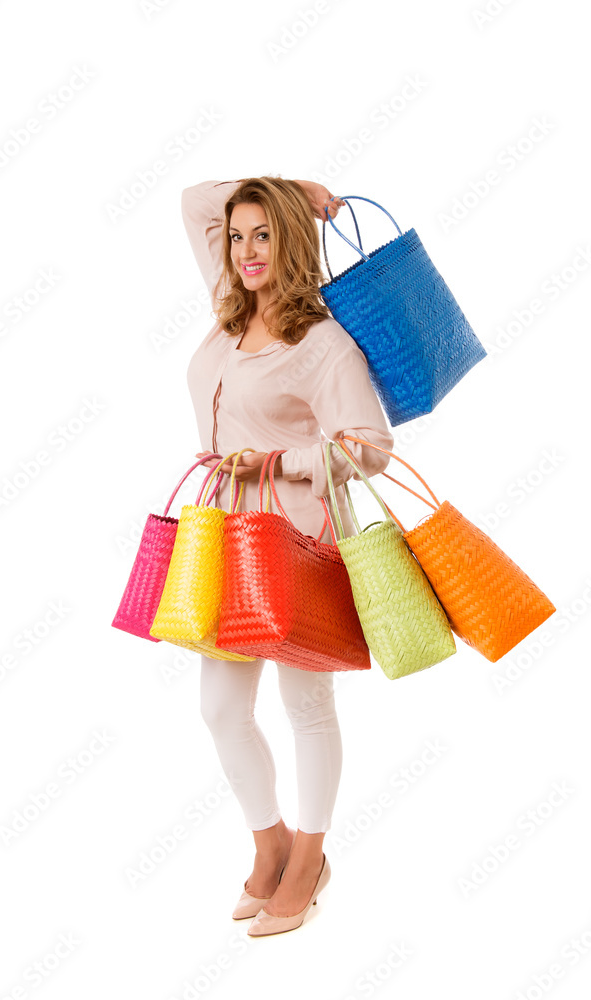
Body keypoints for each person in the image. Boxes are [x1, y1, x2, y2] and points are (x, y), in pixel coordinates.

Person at [180, 175, 394, 936]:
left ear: (291, 243)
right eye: (237, 237)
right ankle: (268, 844)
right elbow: (195, 200)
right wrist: (291, 188)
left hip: (300, 535)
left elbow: (370, 449)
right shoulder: (229, 309)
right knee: (219, 708)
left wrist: (278, 463)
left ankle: (309, 856)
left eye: (264, 235)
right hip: (225, 535)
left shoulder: (323, 342)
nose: (244, 251)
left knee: (305, 706)